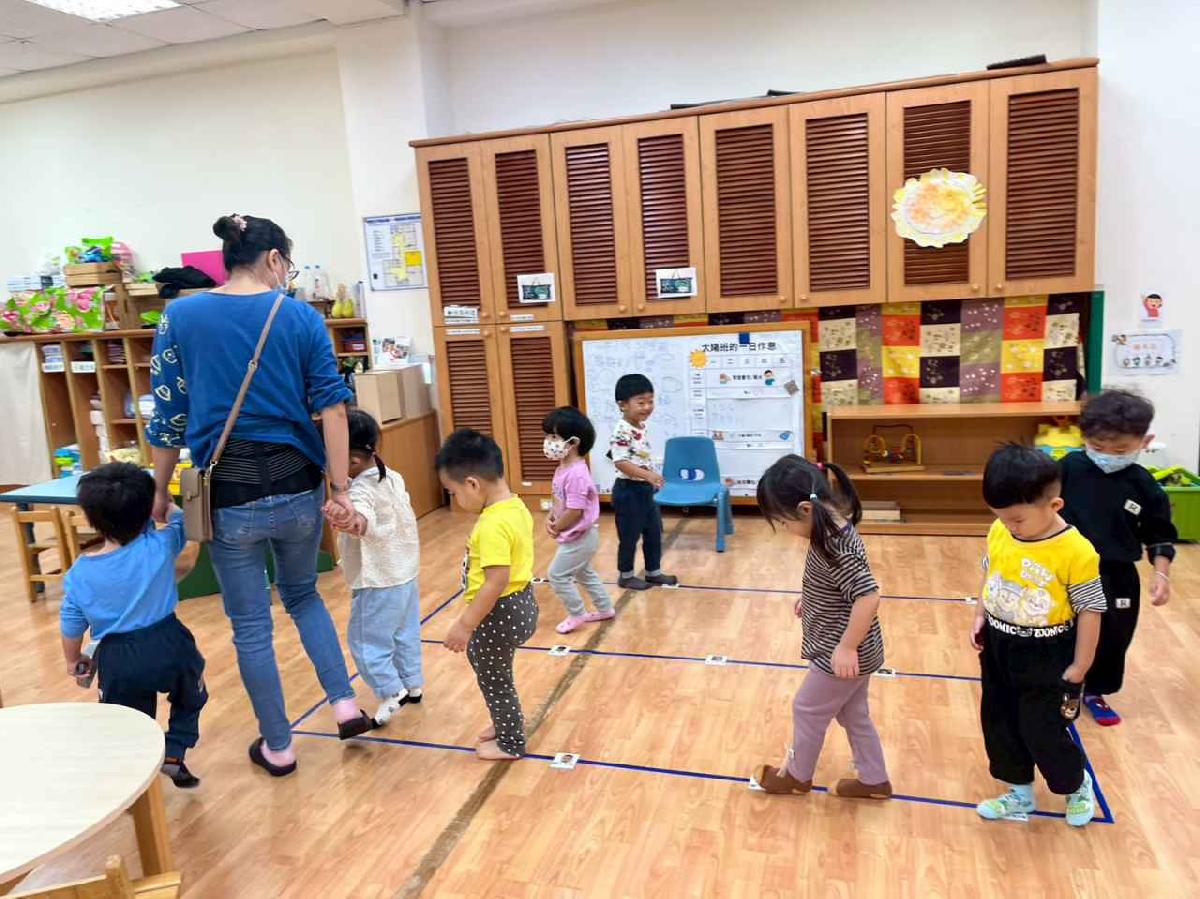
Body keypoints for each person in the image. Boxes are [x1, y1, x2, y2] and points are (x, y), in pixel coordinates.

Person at [147, 213, 369, 779]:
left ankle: (280, 746)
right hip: (297, 488)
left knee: (251, 624)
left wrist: (159, 492)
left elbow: (169, 417)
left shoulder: (181, 314)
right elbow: (333, 408)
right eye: (287, 264)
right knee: (304, 597)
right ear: (274, 260)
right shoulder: (299, 316)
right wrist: (339, 489)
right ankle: (344, 705)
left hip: (230, 492)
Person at [972, 444, 1105, 826]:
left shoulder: (1077, 551)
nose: (1008, 526)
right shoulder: (1000, 530)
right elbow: (990, 574)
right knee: (999, 720)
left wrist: (1081, 666)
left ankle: (1076, 784)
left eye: (1017, 520)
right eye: (1001, 518)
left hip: (1048, 652)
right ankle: (1019, 791)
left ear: (1055, 505)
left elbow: (1091, 611)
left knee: (1041, 727)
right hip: (999, 645)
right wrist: (980, 614)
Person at [753, 455, 892, 801]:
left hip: (842, 653)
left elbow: (868, 597)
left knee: (807, 708)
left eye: (784, 522)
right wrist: (810, 599)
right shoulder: (830, 525)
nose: (786, 530)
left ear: (804, 509)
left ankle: (797, 776)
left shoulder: (835, 546)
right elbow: (838, 585)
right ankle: (874, 779)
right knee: (853, 714)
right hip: (855, 648)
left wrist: (845, 647)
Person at [61, 463, 206, 789]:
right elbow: (183, 521)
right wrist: (166, 505)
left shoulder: (80, 573)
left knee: (127, 722)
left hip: (117, 657)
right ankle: (174, 750)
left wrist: (73, 660)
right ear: (146, 511)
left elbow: (71, 623)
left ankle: (132, 785)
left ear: (90, 519)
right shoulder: (160, 545)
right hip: (170, 642)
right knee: (191, 695)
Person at [1060, 389, 1176, 725]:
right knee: (1061, 629)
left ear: (1145, 440)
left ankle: (1097, 691)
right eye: (1097, 447)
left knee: (1113, 635)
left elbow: (1160, 533)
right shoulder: (1069, 468)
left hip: (1117, 573)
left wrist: (1161, 574)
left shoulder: (1144, 485)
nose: (1108, 455)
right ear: (1084, 438)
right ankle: (1064, 684)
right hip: (1068, 568)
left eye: (1121, 449)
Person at [436, 429, 538, 761]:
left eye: (453, 492)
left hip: (500, 611)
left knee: (494, 676)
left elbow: (495, 581)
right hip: (520, 603)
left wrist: (465, 625)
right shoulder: (515, 506)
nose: (456, 500)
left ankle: (511, 741)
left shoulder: (493, 524)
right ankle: (505, 720)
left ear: (473, 484)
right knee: (491, 668)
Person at [336, 409, 424, 727]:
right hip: (405, 572)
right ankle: (413, 684)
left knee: (365, 641)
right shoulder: (391, 474)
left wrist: (350, 520)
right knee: (405, 632)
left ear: (353, 461)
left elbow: (361, 516)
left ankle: (391, 691)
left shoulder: (359, 489)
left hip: (378, 580)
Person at [543, 406, 614, 634]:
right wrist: (551, 516)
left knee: (557, 574)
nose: (548, 441)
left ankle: (577, 613)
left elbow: (574, 510)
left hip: (580, 536)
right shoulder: (563, 467)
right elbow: (560, 500)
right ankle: (605, 609)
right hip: (575, 534)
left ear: (573, 442)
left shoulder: (577, 474)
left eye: (553, 436)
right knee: (584, 572)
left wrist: (557, 526)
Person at [607, 374, 676, 591]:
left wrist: (651, 475)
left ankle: (653, 572)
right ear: (623, 405)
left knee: (654, 532)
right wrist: (647, 476)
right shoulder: (622, 429)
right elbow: (620, 461)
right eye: (641, 402)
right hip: (628, 491)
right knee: (629, 536)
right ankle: (626, 575)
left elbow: (639, 456)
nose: (647, 407)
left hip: (644, 489)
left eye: (650, 401)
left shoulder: (640, 426)